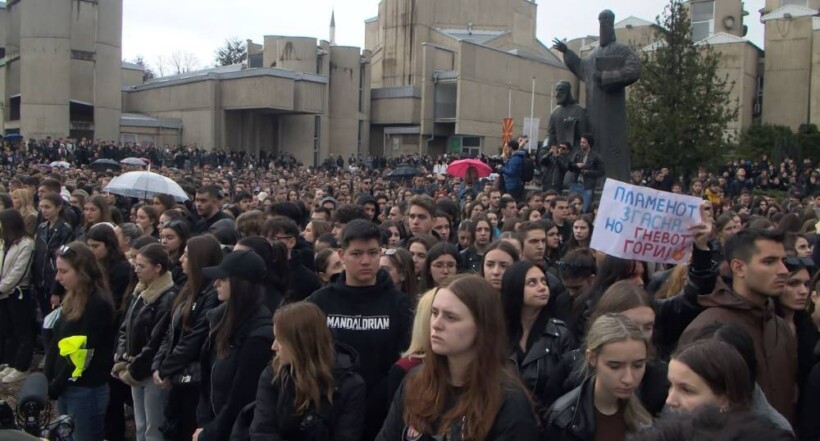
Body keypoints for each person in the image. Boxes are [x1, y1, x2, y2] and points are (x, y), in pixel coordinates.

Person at [377, 275, 539, 440]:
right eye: (434, 313)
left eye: (451, 317)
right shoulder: (415, 381)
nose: (436, 324)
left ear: (482, 326)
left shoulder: (509, 402)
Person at [308, 219, 413, 440]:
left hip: (381, 414)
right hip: (329, 412)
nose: (366, 261)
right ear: (341, 254)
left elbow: (405, 360)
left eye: (373, 253)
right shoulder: (319, 303)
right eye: (357, 254)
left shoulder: (399, 305)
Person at [680, 229, 797, 421]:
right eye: (769, 261)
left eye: (783, 261)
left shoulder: (781, 327)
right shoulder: (707, 328)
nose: (783, 271)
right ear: (739, 267)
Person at [235, 302, 366, 441]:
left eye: (280, 340)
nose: (273, 347)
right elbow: (263, 432)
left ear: (300, 343)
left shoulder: (350, 386)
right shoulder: (273, 375)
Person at [195, 250, 274, 441]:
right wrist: (204, 423)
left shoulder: (259, 335)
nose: (216, 283)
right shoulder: (221, 319)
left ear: (240, 284)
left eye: (223, 278)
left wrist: (211, 433)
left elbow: (241, 398)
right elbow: (208, 381)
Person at [153, 236, 223, 441]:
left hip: (192, 381)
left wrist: (166, 368)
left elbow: (195, 336)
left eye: (186, 255)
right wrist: (159, 364)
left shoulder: (210, 294)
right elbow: (171, 331)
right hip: (175, 373)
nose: (181, 259)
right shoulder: (187, 289)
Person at [45, 242, 117, 441]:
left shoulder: (97, 304)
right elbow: (58, 340)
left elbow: (82, 353)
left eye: (63, 271)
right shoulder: (73, 297)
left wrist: (57, 384)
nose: (58, 278)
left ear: (82, 271)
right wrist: (49, 377)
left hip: (86, 389)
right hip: (67, 386)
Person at [545, 313, 652, 441]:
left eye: (638, 365)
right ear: (592, 358)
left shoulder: (648, 407)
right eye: (615, 366)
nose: (628, 379)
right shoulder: (564, 419)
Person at [113, 243, 177, 441]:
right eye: (136, 265)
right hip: (133, 365)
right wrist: (121, 356)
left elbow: (157, 340)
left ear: (157, 268)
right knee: (141, 425)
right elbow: (126, 326)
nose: (136, 270)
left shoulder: (167, 296)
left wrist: (134, 369)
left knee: (153, 427)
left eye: (142, 266)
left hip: (149, 371)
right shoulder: (140, 291)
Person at [500, 261, 574, 414]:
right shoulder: (496, 332)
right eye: (532, 283)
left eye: (544, 281)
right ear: (515, 287)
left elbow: (570, 385)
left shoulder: (559, 334)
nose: (542, 287)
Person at [85, 223, 134, 441]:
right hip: (100, 333)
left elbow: (115, 303)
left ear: (108, 245)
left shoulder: (121, 268)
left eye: (96, 246)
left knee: (114, 392)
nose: (93, 251)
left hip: (112, 333)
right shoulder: (95, 266)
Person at [0, 209, 36, 384]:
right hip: (4, 293)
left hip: (18, 292)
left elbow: (19, 271)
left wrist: (3, 287)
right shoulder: (6, 242)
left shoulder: (26, 243)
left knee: (22, 330)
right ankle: (12, 361)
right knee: (9, 330)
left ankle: (22, 366)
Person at [32, 193, 75, 319]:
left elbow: (64, 260)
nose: (44, 210)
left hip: (54, 280)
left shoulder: (65, 229)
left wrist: (56, 290)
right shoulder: (42, 227)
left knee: (53, 317)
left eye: (48, 207)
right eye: (42, 207)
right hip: (40, 280)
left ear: (58, 208)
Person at [566, 134, 605, 214]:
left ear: (589, 144)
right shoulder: (577, 154)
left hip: (587, 185)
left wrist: (588, 172)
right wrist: (576, 165)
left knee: (584, 208)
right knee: (570, 206)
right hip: (575, 183)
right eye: (581, 142)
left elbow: (601, 172)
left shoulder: (596, 156)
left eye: (584, 142)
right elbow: (570, 166)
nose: (581, 144)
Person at [159, 220, 191, 288]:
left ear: (182, 239)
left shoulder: (184, 266)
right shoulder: (159, 260)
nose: (164, 241)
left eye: (170, 238)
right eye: (162, 237)